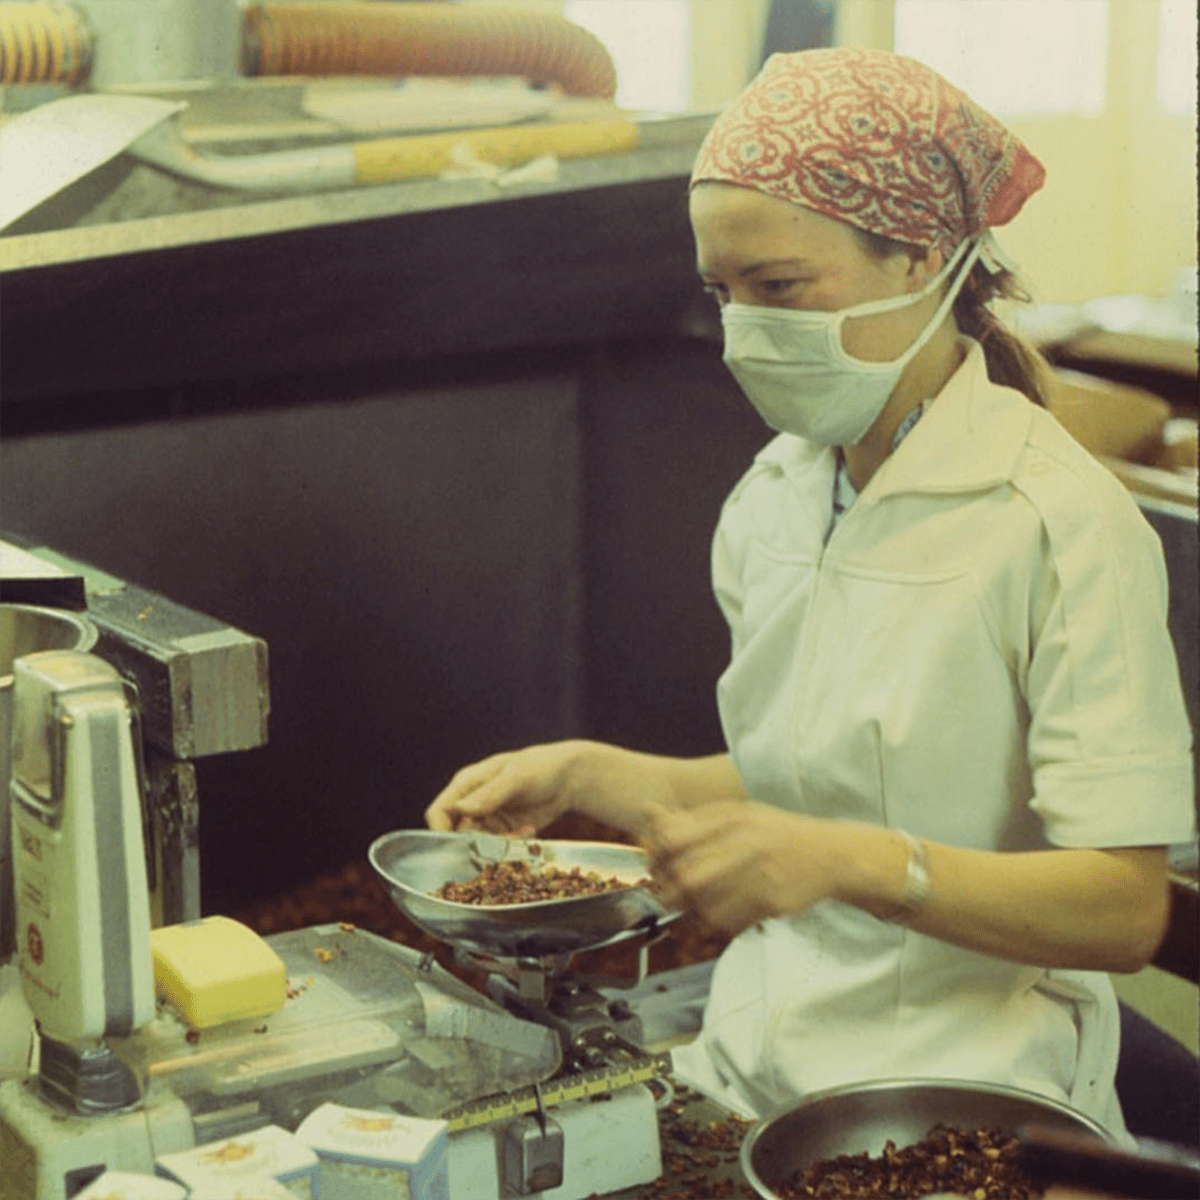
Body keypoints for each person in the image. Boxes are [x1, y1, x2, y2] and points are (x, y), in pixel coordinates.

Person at [426, 48, 1195, 1138]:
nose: (746, 329)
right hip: (755, 1056)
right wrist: (597, 774)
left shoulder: (1060, 524)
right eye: (722, 293)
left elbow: (1123, 908)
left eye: (781, 288)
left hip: (966, 1090)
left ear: (923, 254)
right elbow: (823, 770)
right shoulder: (776, 499)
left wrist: (848, 862)